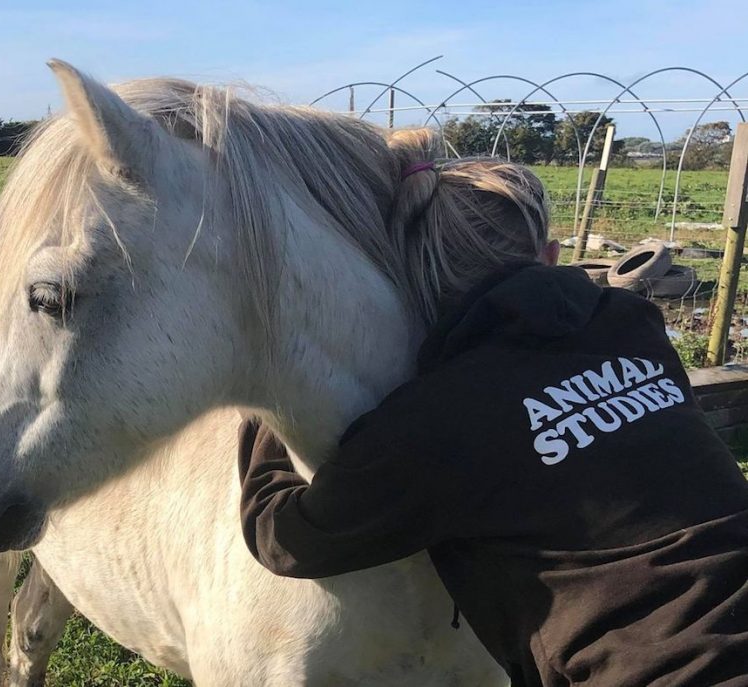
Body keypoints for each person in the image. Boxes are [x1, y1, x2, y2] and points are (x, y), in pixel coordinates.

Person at [239, 130, 748, 687]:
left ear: (416, 276)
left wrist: (269, 402)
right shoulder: (632, 323)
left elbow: (286, 539)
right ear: (551, 256)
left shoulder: (438, 422)